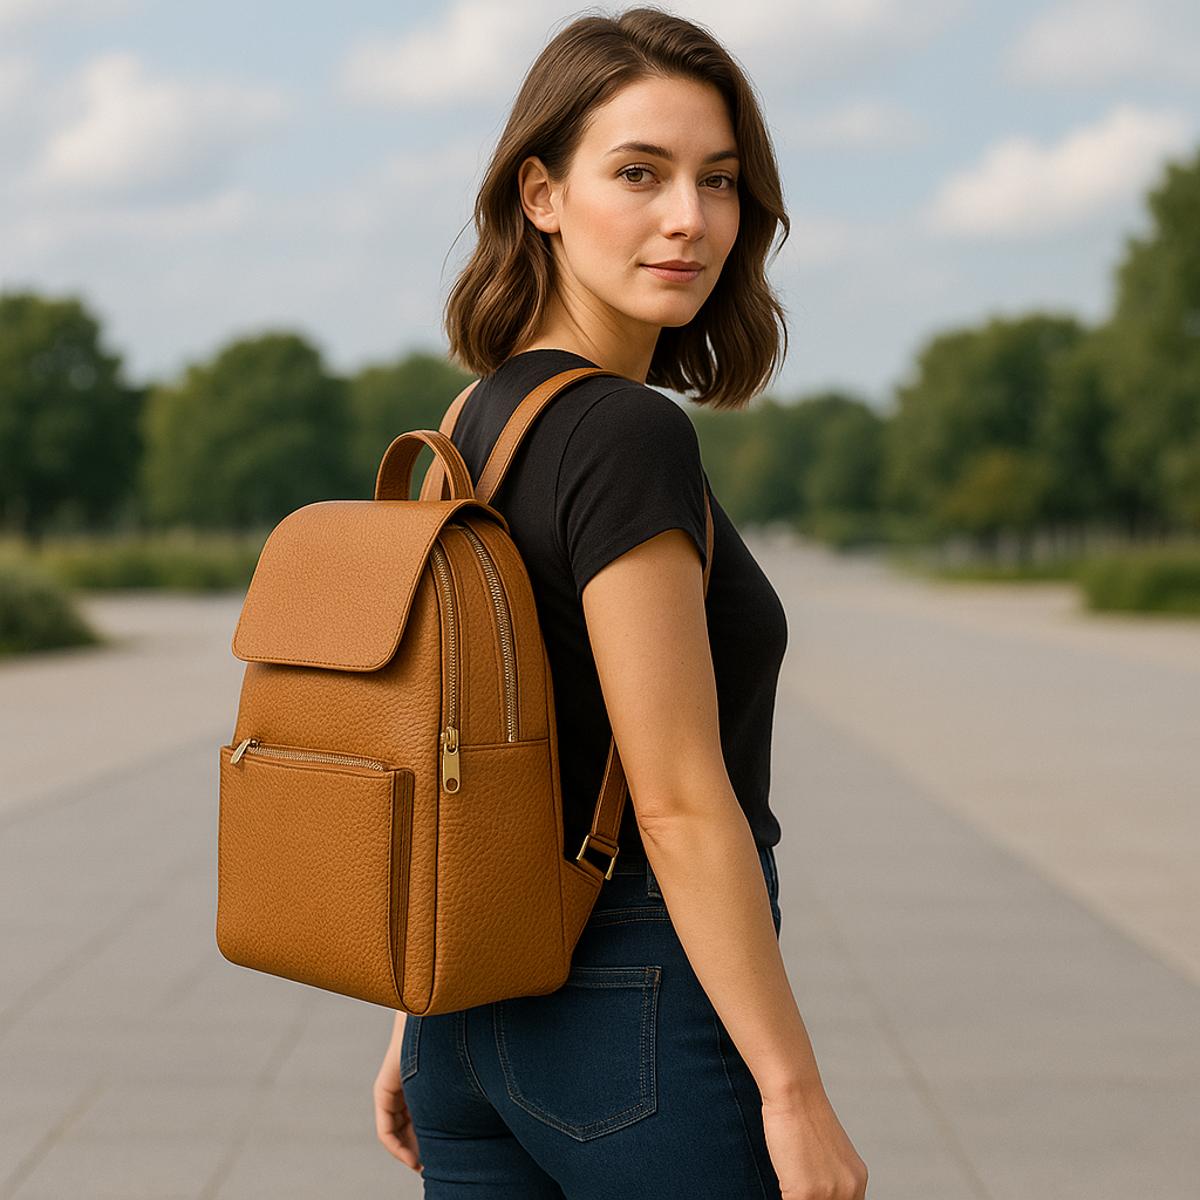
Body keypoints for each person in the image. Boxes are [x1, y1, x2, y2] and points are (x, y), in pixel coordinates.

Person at [373, 8, 868, 1198]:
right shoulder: (623, 432)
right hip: (629, 1014)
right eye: (638, 173)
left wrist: (411, 1024)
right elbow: (683, 800)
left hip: (467, 1017)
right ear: (540, 193)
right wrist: (794, 1094)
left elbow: (452, 755)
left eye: (720, 181)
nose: (689, 218)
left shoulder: (473, 421)